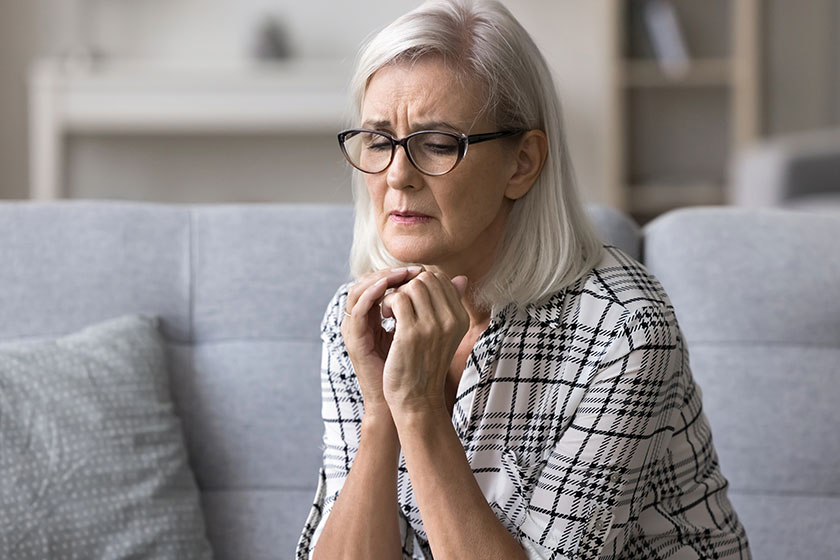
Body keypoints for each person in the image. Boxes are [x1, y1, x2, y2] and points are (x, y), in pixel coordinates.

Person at [297, 0, 751, 558]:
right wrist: (379, 412)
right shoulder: (363, 319)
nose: (397, 175)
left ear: (523, 163)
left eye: (437, 143)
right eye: (378, 140)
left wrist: (417, 406)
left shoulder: (623, 332)